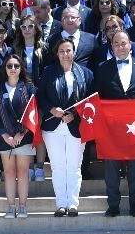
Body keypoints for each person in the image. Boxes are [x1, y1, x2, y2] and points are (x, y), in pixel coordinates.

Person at [94, 29, 135, 216]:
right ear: (111, 47)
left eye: (124, 43)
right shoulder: (103, 67)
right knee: (111, 168)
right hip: (111, 128)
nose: (120, 47)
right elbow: (96, 96)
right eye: (116, 44)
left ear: (130, 45)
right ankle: (113, 205)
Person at [39, 35, 94, 217]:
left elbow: (90, 100)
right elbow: (40, 97)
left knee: (74, 166)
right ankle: (61, 203)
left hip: (75, 126)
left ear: (74, 52)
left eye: (68, 50)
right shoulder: (48, 72)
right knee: (57, 166)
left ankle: (73, 204)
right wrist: (51, 109)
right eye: (61, 51)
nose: (65, 54)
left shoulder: (85, 73)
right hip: (53, 125)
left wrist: (75, 115)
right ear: (57, 53)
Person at [0, 52, 35, 218]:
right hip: (5, 138)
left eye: (16, 66)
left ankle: (22, 207)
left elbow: (33, 114)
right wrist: (4, 135)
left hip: (23, 137)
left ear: (21, 69)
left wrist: (21, 133)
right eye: (9, 66)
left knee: (23, 172)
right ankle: (11, 207)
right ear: (5, 68)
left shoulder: (29, 88)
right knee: (9, 173)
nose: (12, 69)